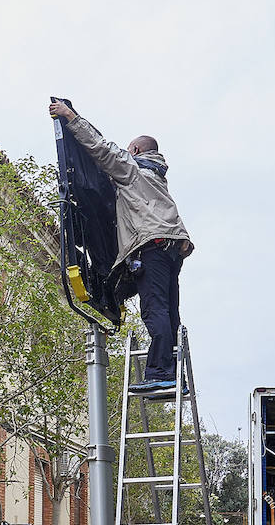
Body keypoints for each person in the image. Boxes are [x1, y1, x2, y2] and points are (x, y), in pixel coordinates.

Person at [48, 99, 194, 393]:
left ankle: (159, 374)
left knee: (154, 310)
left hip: (151, 247)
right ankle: (174, 373)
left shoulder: (134, 170)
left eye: (129, 149)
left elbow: (101, 149)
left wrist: (70, 116)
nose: (126, 153)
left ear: (137, 150)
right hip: (170, 249)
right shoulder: (156, 176)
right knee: (169, 311)